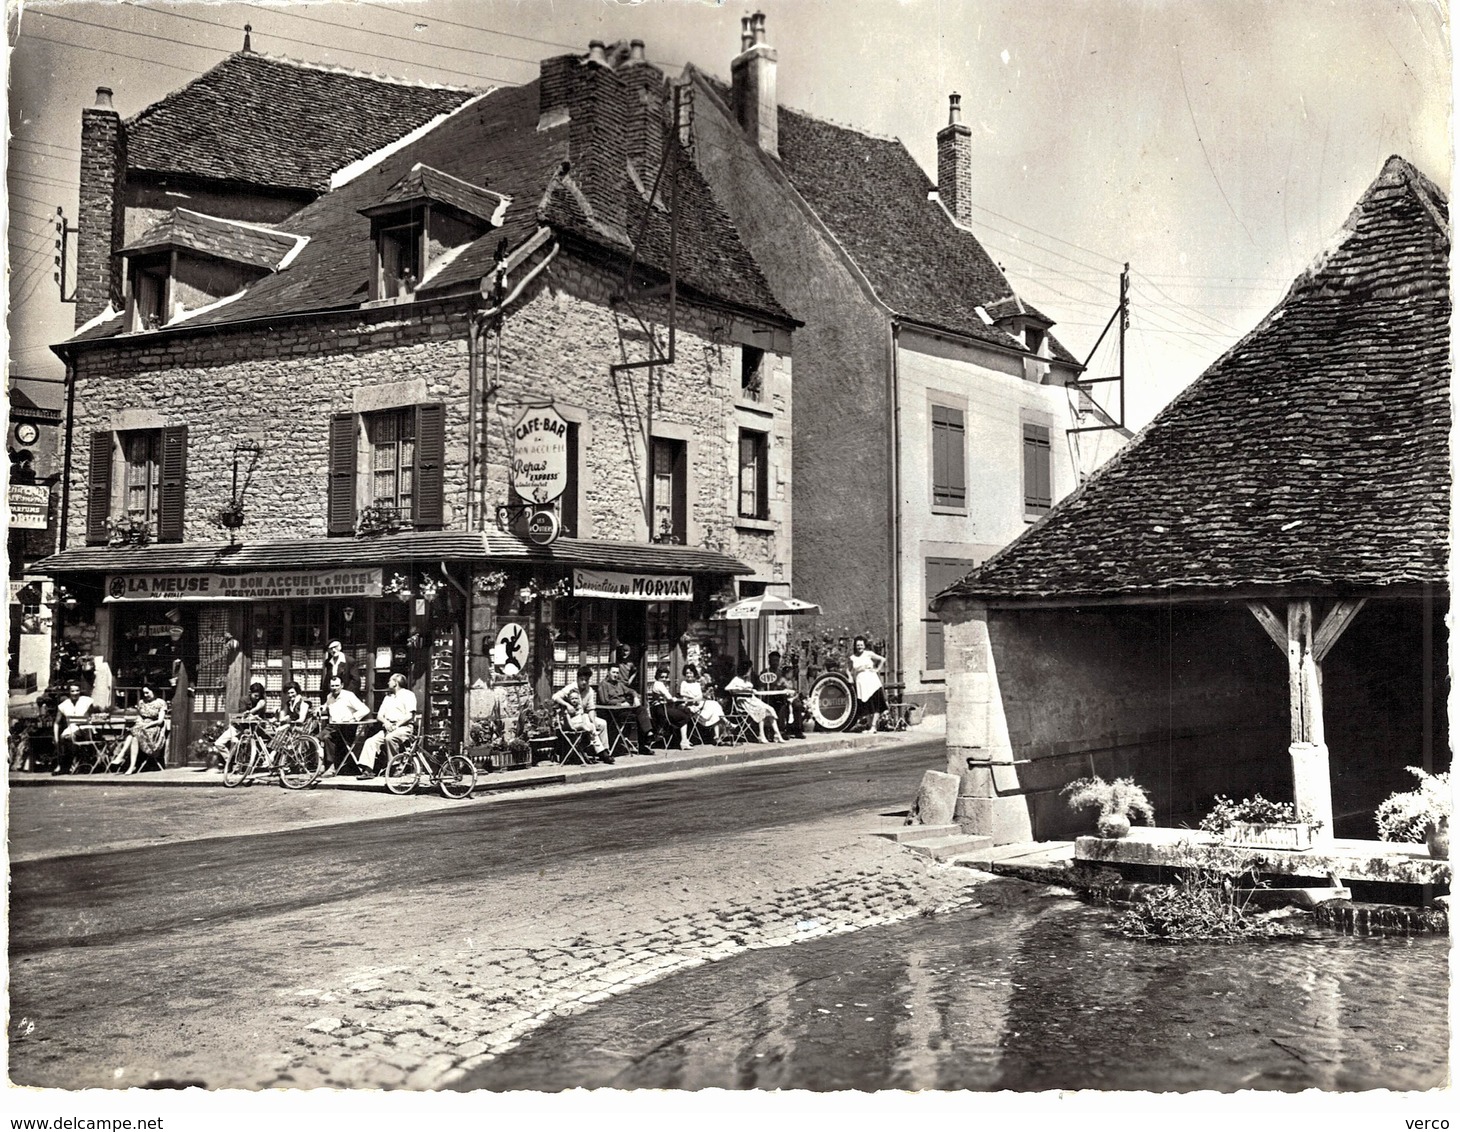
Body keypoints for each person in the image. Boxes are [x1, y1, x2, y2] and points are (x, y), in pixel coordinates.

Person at [358, 672, 417, 778]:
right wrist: (386, 723)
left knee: (390, 738)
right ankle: (368, 770)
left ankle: (394, 767)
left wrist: (396, 725)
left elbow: (409, 715)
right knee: (370, 741)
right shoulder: (388, 697)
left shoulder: (408, 695)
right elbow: (379, 716)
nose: (388, 682)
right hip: (388, 727)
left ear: (396, 683)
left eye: (390, 680)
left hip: (404, 728)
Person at [598, 647, 653, 756]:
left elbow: (631, 690)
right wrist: (620, 704)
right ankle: (646, 737)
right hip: (613, 712)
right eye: (613, 672)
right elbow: (605, 701)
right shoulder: (603, 685)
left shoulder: (619, 684)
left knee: (640, 710)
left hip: (623, 709)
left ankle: (646, 738)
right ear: (608, 673)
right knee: (636, 715)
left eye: (617, 673)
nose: (615, 675)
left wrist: (635, 697)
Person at [552, 665, 612, 762]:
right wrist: (568, 705)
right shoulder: (571, 687)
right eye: (582, 679)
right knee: (587, 723)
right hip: (569, 720)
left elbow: (591, 708)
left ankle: (605, 750)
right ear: (577, 679)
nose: (584, 682)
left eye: (586, 680)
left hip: (583, 717)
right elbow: (555, 697)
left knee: (602, 723)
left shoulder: (590, 690)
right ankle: (602, 753)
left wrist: (593, 721)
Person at [211, 682, 272, 770]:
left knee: (238, 743)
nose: (257, 698)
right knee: (219, 743)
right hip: (238, 727)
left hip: (252, 730)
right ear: (250, 693)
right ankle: (230, 762)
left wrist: (254, 713)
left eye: (259, 695)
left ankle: (239, 765)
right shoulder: (244, 700)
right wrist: (248, 714)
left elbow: (260, 715)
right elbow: (242, 714)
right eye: (255, 695)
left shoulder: (261, 701)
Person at [321, 674, 371, 776]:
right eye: (332, 686)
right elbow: (326, 707)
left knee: (327, 738)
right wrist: (321, 708)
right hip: (333, 726)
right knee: (317, 738)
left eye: (337, 685)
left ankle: (331, 767)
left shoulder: (348, 696)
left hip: (347, 728)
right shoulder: (329, 696)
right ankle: (321, 766)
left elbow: (365, 709)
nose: (334, 688)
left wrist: (353, 718)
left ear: (342, 685)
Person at [113, 685, 168, 774]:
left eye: (147, 692)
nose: (145, 695)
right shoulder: (141, 702)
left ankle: (121, 756)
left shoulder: (161, 703)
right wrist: (140, 722)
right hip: (141, 727)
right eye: (144, 693)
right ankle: (130, 766)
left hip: (153, 729)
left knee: (134, 733)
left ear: (153, 691)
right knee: (134, 736)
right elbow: (139, 716)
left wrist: (148, 724)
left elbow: (160, 721)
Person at [725, 660, 784, 743]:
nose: (750, 671)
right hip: (744, 702)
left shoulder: (747, 680)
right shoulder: (736, 679)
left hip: (753, 700)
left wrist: (751, 691)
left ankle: (777, 734)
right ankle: (761, 734)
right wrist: (743, 690)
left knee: (770, 708)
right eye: (749, 669)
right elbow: (728, 689)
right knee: (761, 710)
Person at [760, 651, 807, 738]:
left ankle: (797, 730)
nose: (775, 662)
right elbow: (762, 687)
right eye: (773, 660)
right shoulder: (765, 672)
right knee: (782, 706)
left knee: (797, 705)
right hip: (771, 697)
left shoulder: (781, 673)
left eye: (777, 660)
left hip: (783, 696)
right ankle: (781, 730)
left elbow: (788, 683)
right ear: (769, 661)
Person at [52, 680, 95, 775]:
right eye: (72, 691)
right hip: (70, 730)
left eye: (77, 690)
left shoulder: (86, 701)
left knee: (68, 737)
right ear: (69, 692)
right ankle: (65, 765)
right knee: (65, 738)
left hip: (84, 729)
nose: (75, 693)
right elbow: (56, 723)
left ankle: (70, 765)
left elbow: (91, 716)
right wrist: (56, 738)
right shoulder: (64, 705)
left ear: (80, 691)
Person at [648, 664, 694, 750]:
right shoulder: (659, 685)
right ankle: (684, 741)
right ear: (657, 676)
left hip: (658, 710)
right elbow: (669, 697)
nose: (664, 679)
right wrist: (675, 699)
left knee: (682, 713)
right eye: (662, 677)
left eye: (666, 677)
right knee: (684, 716)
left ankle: (684, 740)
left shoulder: (656, 684)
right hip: (661, 711)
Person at [847, 635, 888, 732]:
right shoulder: (852, 657)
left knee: (876, 704)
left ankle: (873, 726)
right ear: (855, 646)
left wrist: (877, 669)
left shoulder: (868, 654)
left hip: (872, 681)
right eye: (858, 645)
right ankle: (870, 726)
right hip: (861, 683)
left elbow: (882, 659)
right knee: (866, 705)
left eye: (861, 645)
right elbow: (848, 670)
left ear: (864, 645)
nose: (860, 647)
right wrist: (850, 677)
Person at [678, 663, 724, 744]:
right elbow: (682, 694)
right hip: (689, 705)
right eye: (687, 673)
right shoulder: (684, 683)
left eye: (690, 673)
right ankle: (726, 723)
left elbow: (700, 696)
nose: (689, 675)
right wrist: (693, 698)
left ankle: (717, 736)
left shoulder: (696, 684)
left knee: (715, 704)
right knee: (712, 708)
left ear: (694, 673)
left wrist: (695, 698)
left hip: (699, 703)